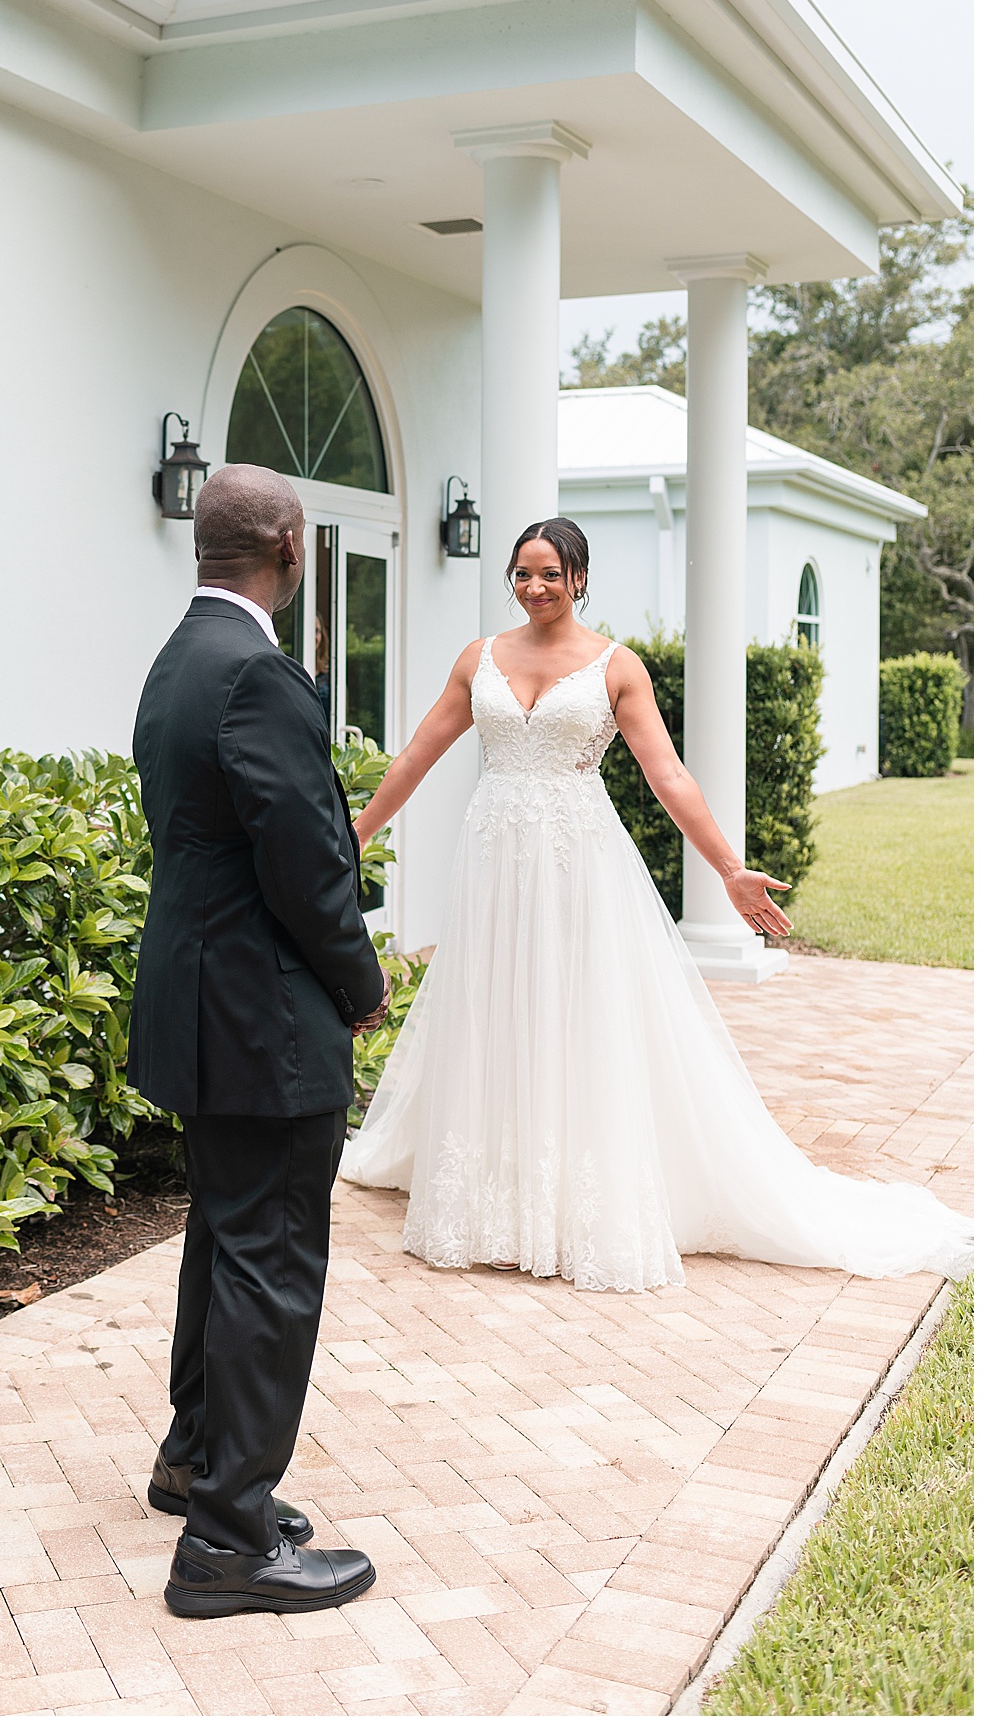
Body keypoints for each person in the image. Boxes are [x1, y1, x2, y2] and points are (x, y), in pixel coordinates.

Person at [341, 517, 973, 1291]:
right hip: (495, 859)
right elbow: (416, 754)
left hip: (577, 860)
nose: (534, 587)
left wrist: (729, 872)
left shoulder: (616, 666)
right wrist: (356, 834)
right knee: (496, 1004)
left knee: (574, 1010)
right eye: (521, 573)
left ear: (579, 577)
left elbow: (668, 776)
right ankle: (492, 1193)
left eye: (549, 573)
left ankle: (574, 1194)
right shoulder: (480, 658)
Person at [129, 463, 392, 1619]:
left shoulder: (177, 662)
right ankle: (230, 1541)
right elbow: (304, 862)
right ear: (291, 544)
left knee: (224, 1240)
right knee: (272, 1265)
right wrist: (360, 979)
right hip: (264, 1020)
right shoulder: (260, 676)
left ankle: (195, 1461)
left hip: (199, 1008)